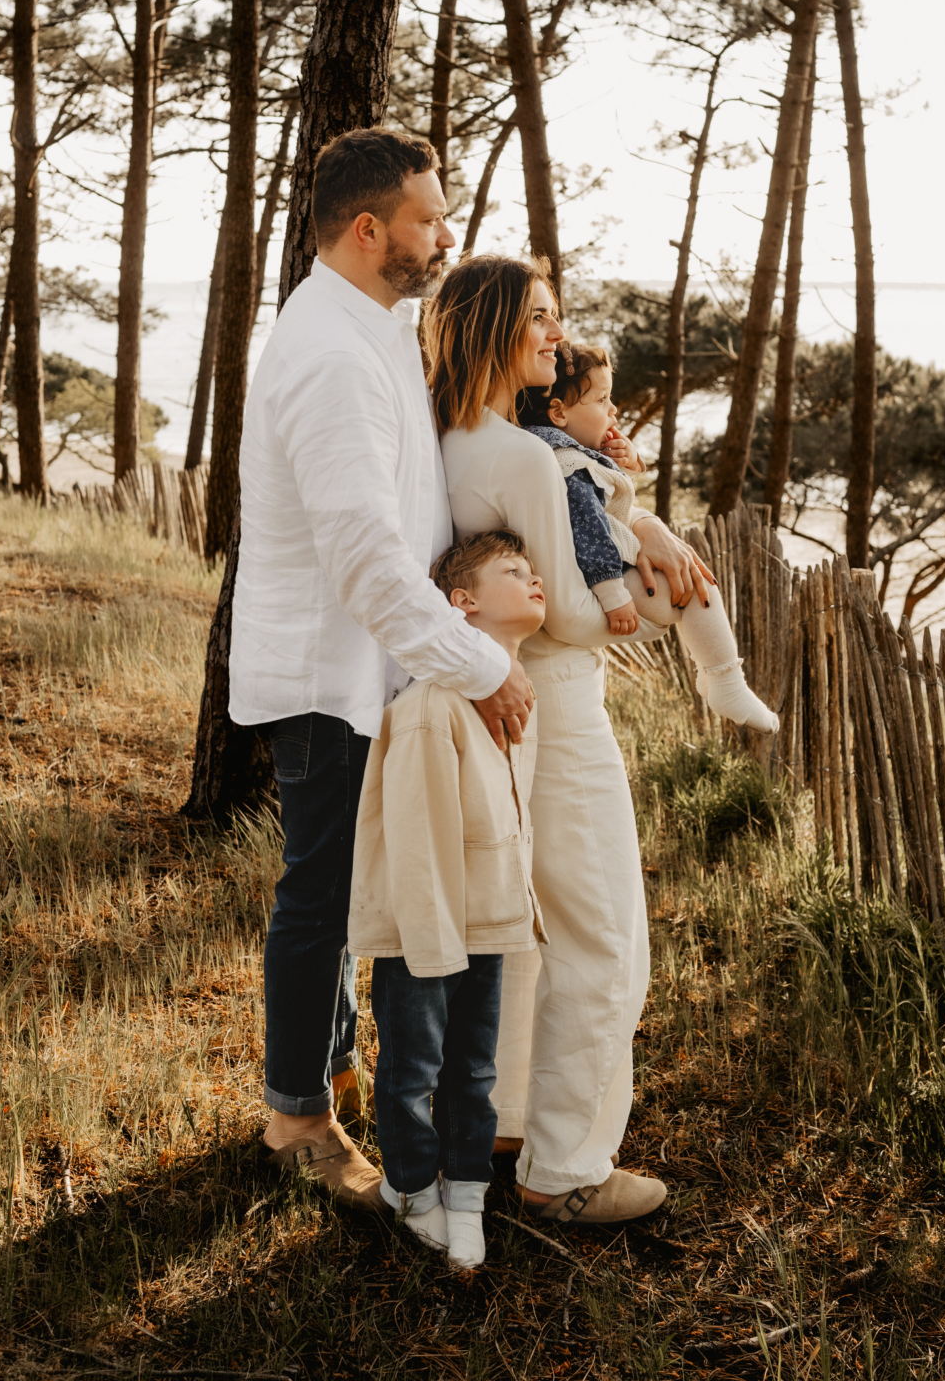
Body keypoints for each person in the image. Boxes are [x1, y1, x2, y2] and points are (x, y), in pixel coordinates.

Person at [229, 129, 535, 1209]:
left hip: (380, 669)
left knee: (351, 886)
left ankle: (334, 1067)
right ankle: (295, 1117)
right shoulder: (329, 356)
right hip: (332, 676)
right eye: (428, 220)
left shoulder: (377, 325)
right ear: (369, 230)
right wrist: (479, 665)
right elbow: (364, 561)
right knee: (320, 895)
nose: (446, 236)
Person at [426, 255, 718, 1226]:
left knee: (526, 928)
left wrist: (633, 520)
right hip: (554, 705)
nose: (558, 336)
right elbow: (576, 618)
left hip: (490, 708)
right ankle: (568, 1170)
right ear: (495, 328)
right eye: (542, 319)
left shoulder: (447, 442)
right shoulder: (517, 456)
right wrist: (658, 589)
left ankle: (509, 1124)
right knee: (604, 934)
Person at [348, 531, 548, 1269]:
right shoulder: (434, 707)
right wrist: (433, 946)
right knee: (413, 1068)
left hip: (485, 925)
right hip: (425, 932)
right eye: (513, 571)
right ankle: (409, 1188)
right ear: (462, 604)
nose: (534, 579)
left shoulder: (515, 700)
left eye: (532, 570)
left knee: (474, 1068)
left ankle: (466, 1191)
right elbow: (417, 839)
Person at [518, 339, 778, 731]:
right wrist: (614, 596)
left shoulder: (565, 451)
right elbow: (590, 534)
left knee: (691, 585)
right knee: (697, 588)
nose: (613, 409)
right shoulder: (570, 466)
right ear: (558, 412)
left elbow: (612, 494)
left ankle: (712, 675)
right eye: (602, 400)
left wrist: (629, 459)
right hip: (607, 575)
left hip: (611, 568)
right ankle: (725, 681)